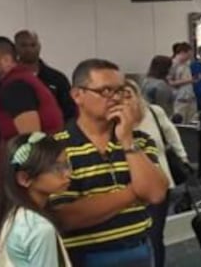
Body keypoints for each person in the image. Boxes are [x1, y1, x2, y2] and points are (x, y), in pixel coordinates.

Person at [50, 59, 168, 267]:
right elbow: (66, 216)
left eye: (120, 91)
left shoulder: (139, 141)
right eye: (105, 91)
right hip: (84, 256)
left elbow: (156, 193)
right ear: (77, 95)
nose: (115, 98)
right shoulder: (55, 148)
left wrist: (127, 141)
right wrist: (134, 192)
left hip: (138, 250)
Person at [124, 80, 189, 267]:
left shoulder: (153, 112)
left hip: (160, 181)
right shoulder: (115, 120)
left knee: (154, 233)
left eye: (129, 94)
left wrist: (183, 157)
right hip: (130, 185)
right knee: (136, 234)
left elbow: (171, 134)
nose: (126, 100)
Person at [0, 132, 73, 266]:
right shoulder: (39, 228)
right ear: (24, 178)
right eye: (57, 168)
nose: (68, 174)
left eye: (67, 165)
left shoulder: (10, 216)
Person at [0, 37, 63, 146]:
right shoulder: (16, 81)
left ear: (6, 61)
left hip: (42, 155)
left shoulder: (16, 87)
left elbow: (31, 141)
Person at [14, 30, 77, 122]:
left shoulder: (56, 79)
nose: (29, 49)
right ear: (15, 48)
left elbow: (70, 111)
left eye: (33, 45)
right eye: (23, 45)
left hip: (54, 129)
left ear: (39, 47)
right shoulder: (9, 78)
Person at [168, 43, 197, 123]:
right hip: (179, 100)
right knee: (180, 123)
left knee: (191, 123)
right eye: (188, 55)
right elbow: (169, 82)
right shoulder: (172, 64)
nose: (189, 58)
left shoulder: (187, 64)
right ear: (182, 52)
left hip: (190, 99)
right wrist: (188, 80)